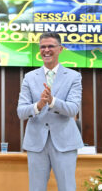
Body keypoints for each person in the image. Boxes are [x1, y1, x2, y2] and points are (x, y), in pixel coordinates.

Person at [17, 32, 83, 191]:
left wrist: (52, 101)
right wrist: (39, 105)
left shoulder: (74, 76)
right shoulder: (29, 77)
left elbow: (73, 108)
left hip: (65, 143)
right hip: (36, 142)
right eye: (43, 47)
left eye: (51, 46)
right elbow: (21, 112)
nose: (46, 50)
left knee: (67, 188)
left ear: (60, 49)